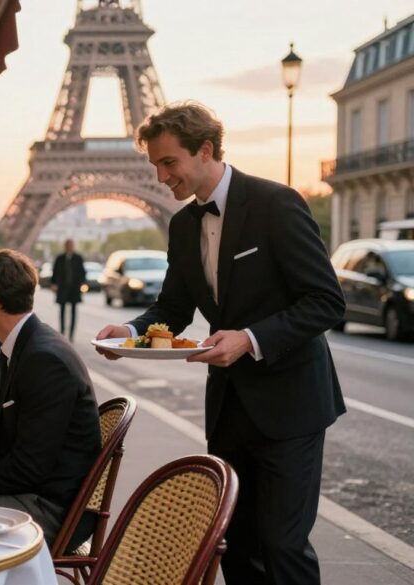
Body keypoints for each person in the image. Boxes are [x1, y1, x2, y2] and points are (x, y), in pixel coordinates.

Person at [95, 101, 346, 585]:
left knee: (282, 545)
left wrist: (250, 339)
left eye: (170, 162)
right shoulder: (184, 225)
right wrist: (128, 331)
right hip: (230, 406)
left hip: (290, 404)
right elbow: (170, 309)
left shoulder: (277, 204)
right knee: (236, 546)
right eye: (155, 165)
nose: (162, 176)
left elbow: (325, 301)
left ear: (205, 150)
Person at [0, 249, 101, 547]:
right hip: (38, 492)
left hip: (50, 510)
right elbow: (15, 444)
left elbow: (30, 466)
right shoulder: (29, 343)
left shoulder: (43, 359)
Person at [51, 238, 86, 340]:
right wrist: (53, 284)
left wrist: (82, 284)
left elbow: (82, 272)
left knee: (74, 311)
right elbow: (55, 272)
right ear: (65, 246)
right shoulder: (59, 258)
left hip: (74, 289)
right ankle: (62, 331)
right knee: (62, 310)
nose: (69, 247)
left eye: (71, 245)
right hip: (63, 288)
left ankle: (71, 333)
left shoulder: (78, 258)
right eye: (68, 245)